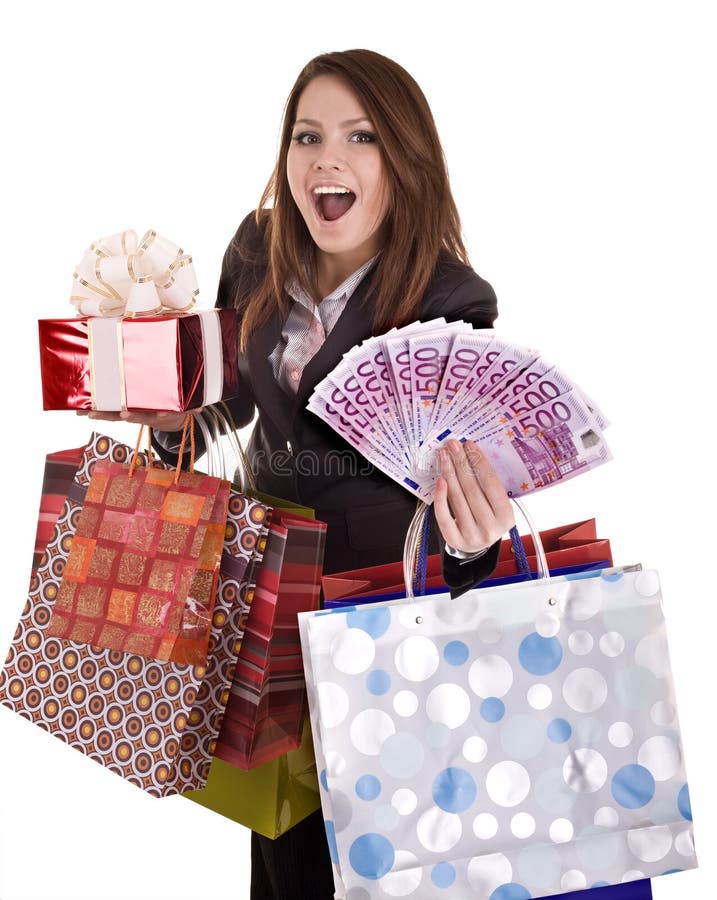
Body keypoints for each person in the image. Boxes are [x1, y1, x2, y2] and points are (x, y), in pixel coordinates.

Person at [87, 48, 514, 900]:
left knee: (376, 872)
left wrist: (474, 548)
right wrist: (171, 418)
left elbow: (461, 515)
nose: (327, 158)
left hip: (381, 634)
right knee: (280, 864)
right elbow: (227, 420)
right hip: (259, 619)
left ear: (404, 161)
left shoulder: (452, 303)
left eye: (360, 137)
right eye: (306, 134)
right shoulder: (256, 250)